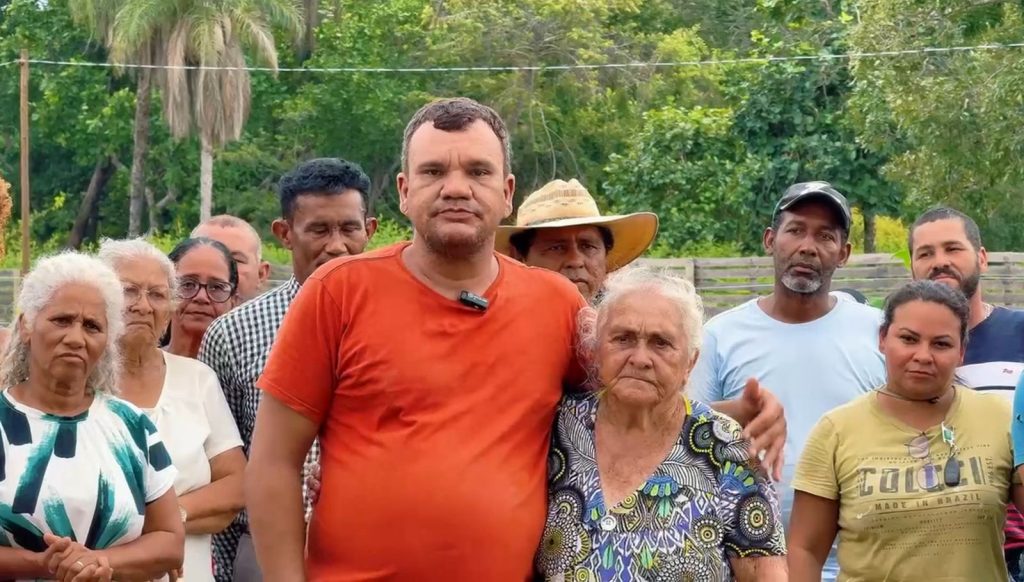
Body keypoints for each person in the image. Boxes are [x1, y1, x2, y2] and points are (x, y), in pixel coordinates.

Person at [246, 97, 785, 581]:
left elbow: (628, 407)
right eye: (433, 170)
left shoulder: (556, 305)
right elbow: (273, 461)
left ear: (506, 193)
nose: (456, 187)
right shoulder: (338, 292)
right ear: (405, 193)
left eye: (478, 171)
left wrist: (736, 414)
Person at [688, 181, 886, 580]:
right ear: (770, 239)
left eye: (825, 236)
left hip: (864, 561)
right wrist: (734, 414)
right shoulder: (721, 335)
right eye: (795, 230)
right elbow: (680, 430)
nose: (808, 246)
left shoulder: (877, 332)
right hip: (750, 560)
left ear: (844, 254)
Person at [537, 266, 787, 581]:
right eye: (623, 338)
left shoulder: (725, 447)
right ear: (596, 350)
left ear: (690, 363)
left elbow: (765, 574)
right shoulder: (557, 428)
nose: (640, 358)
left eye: (661, 343)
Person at [199, 157, 378, 582]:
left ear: (369, 229)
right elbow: (221, 465)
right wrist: (222, 572)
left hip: (373, 550)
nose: (336, 246)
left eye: (349, 229)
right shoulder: (233, 334)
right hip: (264, 551)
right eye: (319, 230)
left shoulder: (403, 322)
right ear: (285, 234)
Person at [789, 280, 1024, 580]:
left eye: (941, 343)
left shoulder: (1000, 418)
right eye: (909, 339)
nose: (923, 355)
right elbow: (805, 549)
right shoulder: (835, 431)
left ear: (962, 351)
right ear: (883, 339)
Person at [0, 252, 183, 581]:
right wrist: (42, 565)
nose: (75, 338)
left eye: (92, 326)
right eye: (62, 320)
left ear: (107, 342)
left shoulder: (130, 426)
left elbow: (170, 541)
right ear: (27, 325)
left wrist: (102, 561)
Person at [99, 238, 246, 582]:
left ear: (170, 308)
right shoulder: (77, 384)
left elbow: (238, 485)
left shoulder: (197, 379)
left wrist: (170, 516)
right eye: (129, 291)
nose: (143, 306)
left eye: (157, 294)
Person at [908, 205, 1024, 578]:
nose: (939, 262)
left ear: (982, 258)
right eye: (925, 253)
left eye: (952, 249)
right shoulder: (899, 352)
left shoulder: (1019, 333)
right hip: (931, 553)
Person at [495, 178, 658, 303]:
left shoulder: (628, 328)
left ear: (606, 257)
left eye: (588, 246)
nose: (576, 261)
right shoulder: (498, 326)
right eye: (557, 248)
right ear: (518, 257)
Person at [164, 237, 238, 359]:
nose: (201, 297)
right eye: (187, 284)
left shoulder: (242, 374)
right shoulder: (136, 368)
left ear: (233, 300)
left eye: (216, 287)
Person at [192, 216, 271, 304]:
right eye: (207, 258)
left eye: (236, 260)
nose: (220, 268)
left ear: (261, 274)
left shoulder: (281, 316)